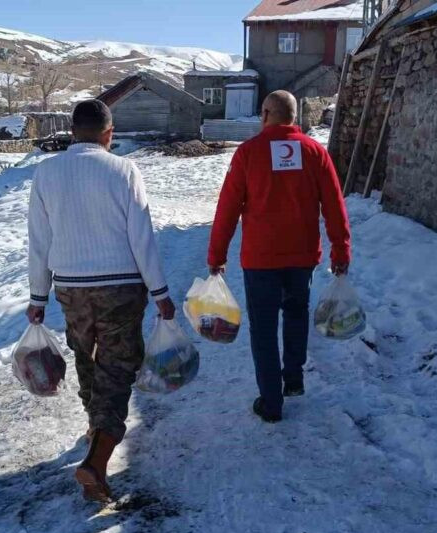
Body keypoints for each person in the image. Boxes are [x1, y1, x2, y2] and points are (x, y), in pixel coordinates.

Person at [26, 99, 175, 502]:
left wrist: (37, 297)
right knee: (119, 365)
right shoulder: (124, 170)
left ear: (73, 131)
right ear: (110, 133)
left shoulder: (46, 173)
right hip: (122, 287)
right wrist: (160, 292)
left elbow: (39, 243)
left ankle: (95, 425)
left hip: (70, 287)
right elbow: (141, 236)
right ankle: (97, 460)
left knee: (85, 352)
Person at [208, 90, 351, 424]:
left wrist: (216, 255)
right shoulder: (316, 152)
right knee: (296, 314)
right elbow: (334, 205)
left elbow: (227, 208)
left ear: (266, 114)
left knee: (263, 328)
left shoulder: (248, 153)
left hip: (260, 260)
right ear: (294, 116)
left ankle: (271, 400)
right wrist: (340, 250)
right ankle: (294, 377)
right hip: (302, 258)